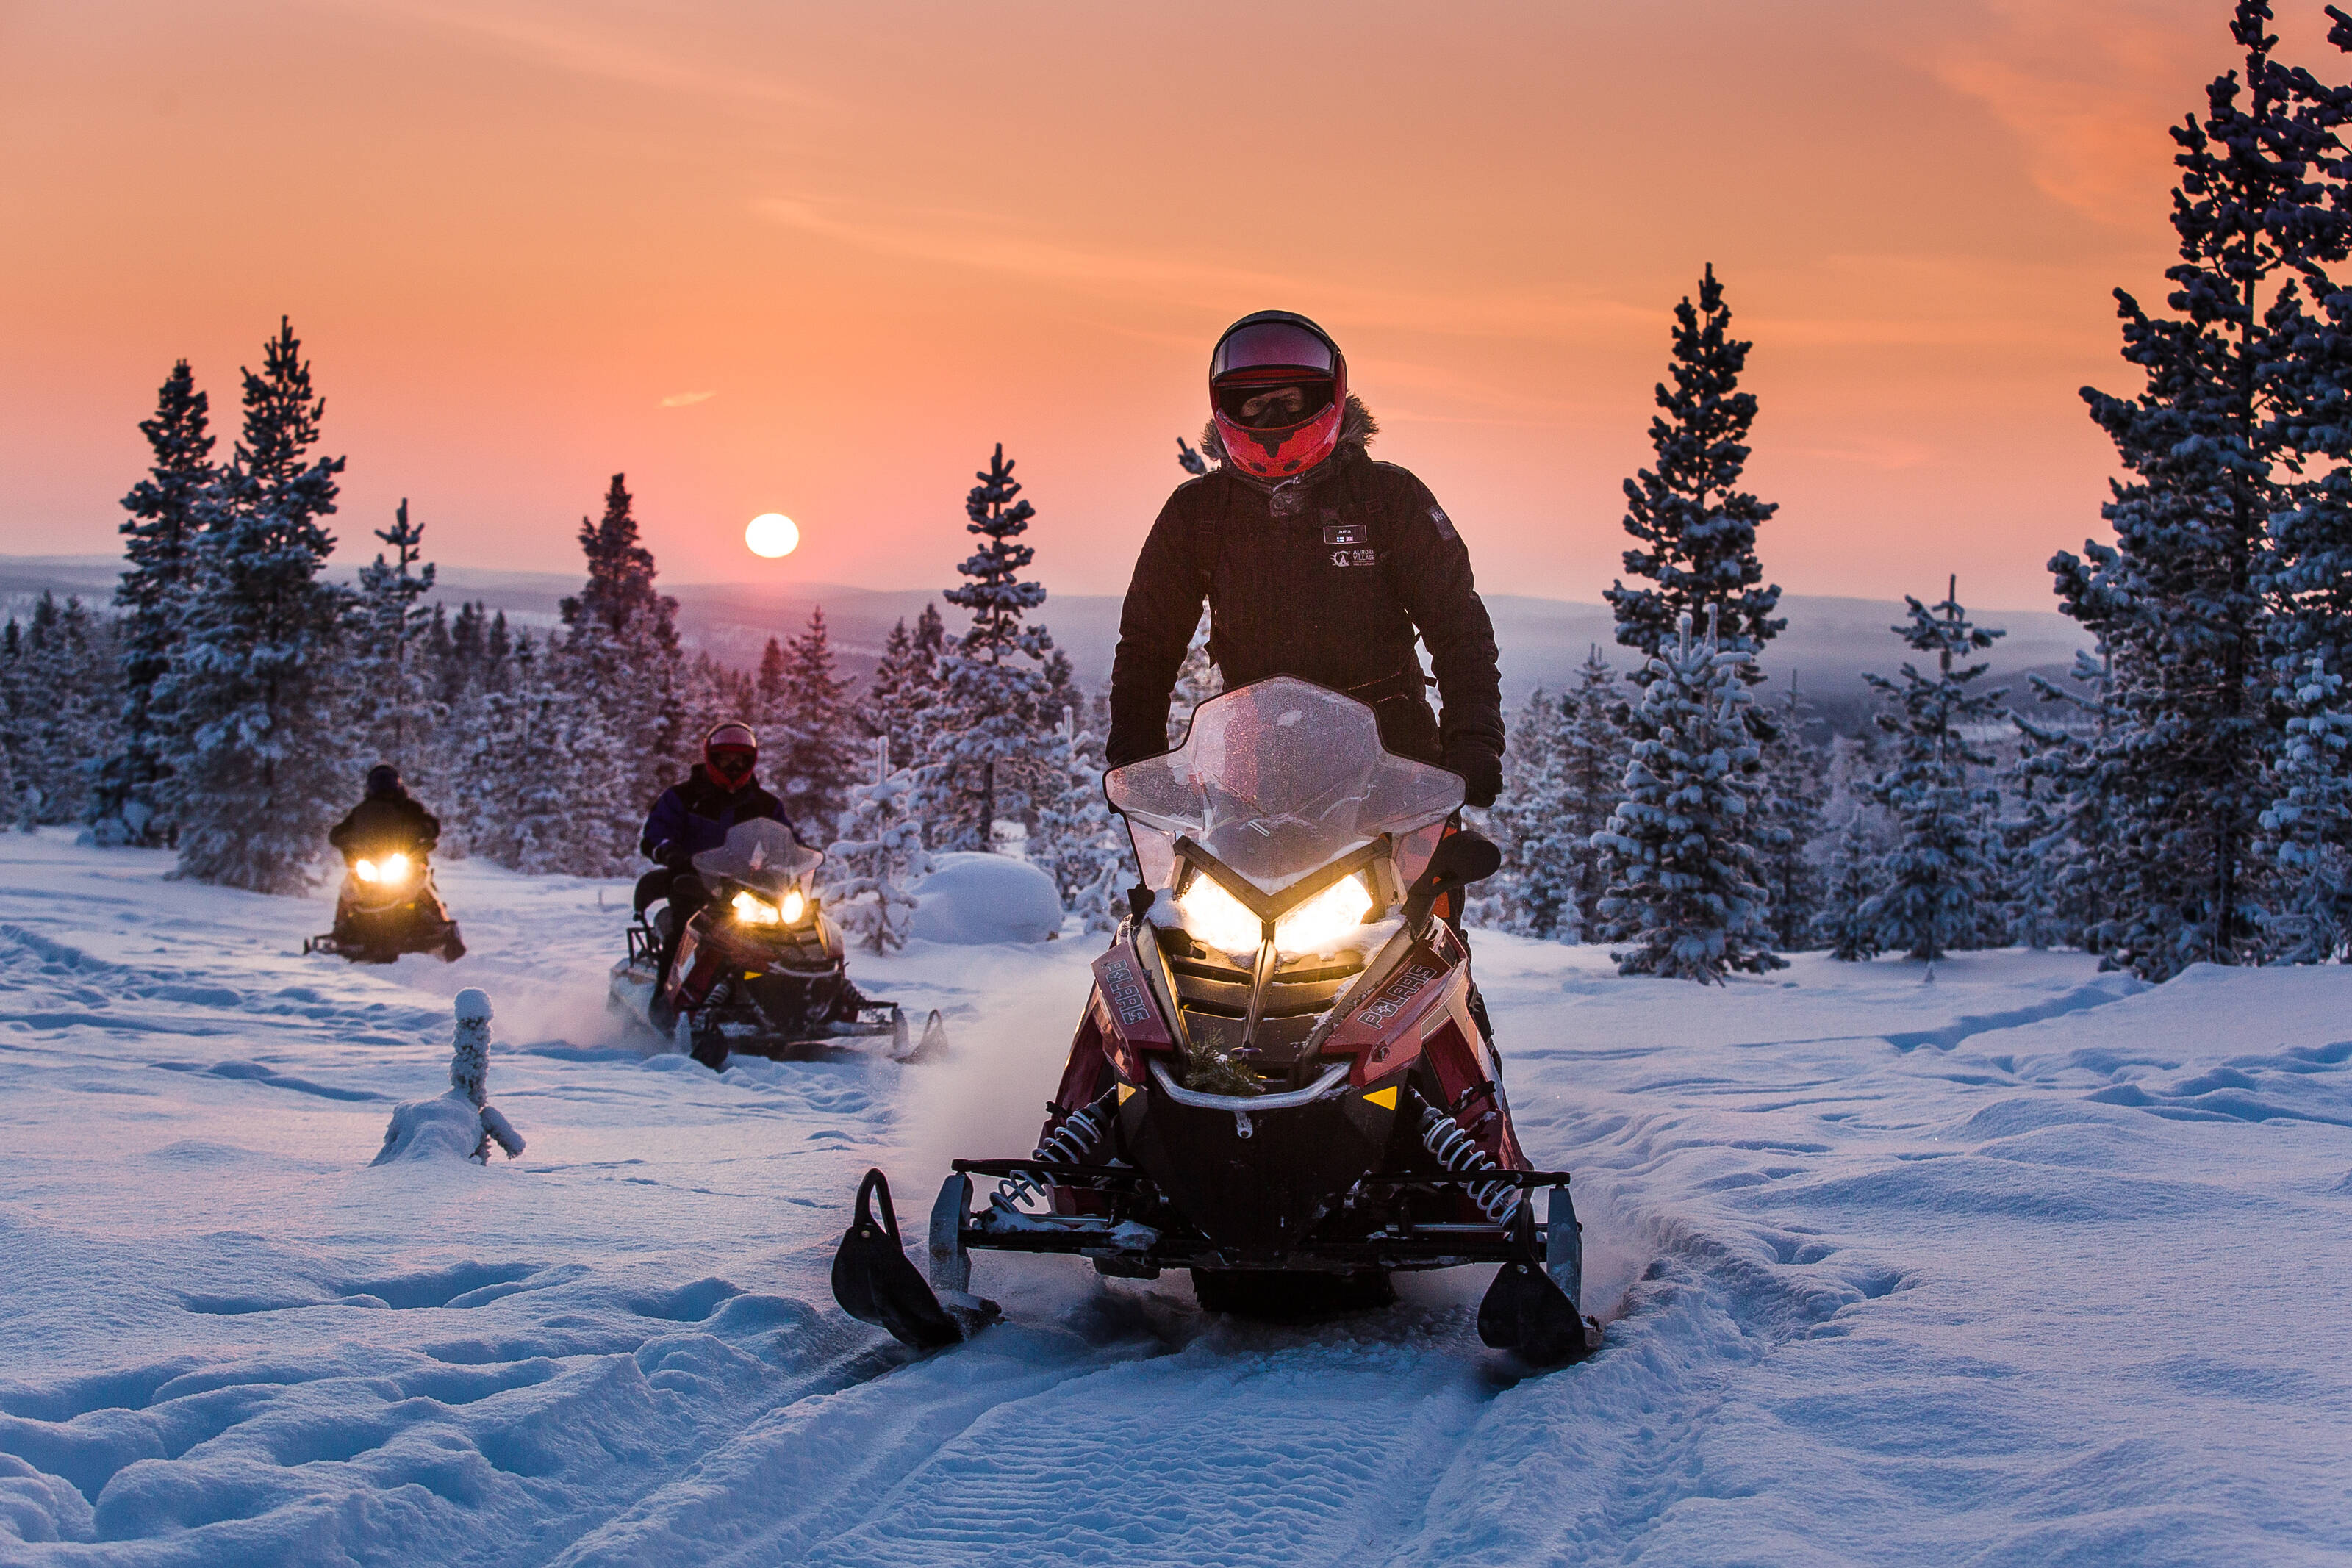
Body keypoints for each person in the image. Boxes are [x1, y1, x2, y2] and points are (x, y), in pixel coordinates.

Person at [1105, 310, 1505, 808]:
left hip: (1393, 769)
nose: (1272, 419)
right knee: (1198, 886)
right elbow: (1149, 643)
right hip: (1253, 776)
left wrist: (1474, 743)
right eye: (1255, 404)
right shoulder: (1200, 513)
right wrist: (1136, 757)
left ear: (1326, 398)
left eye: (1289, 401)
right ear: (1226, 406)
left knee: (1428, 884)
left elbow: (1459, 627)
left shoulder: (1388, 499)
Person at [637, 722, 792, 1015]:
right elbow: (655, 834)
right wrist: (670, 850)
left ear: (751, 761)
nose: (733, 766)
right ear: (711, 758)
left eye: (740, 760)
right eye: (725, 759)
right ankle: (664, 1001)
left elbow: (785, 837)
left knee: (792, 927)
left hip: (747, 885)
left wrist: (794, 857)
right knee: (686, 925)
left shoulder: (764, 803)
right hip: (693, 881)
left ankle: (798, 997)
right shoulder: (683, 797)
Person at [330, 763, 441, 860]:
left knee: (421, 879)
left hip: (404, 861)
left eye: (389, 782)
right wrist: (348, 839)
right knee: (350, 882)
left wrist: (422, 830)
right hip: (369, 860)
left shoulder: (410, 808)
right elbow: (338, 833)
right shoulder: (362, 811)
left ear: (397, 784)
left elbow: (432, 826)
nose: (384, 787)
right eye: (378, 783)